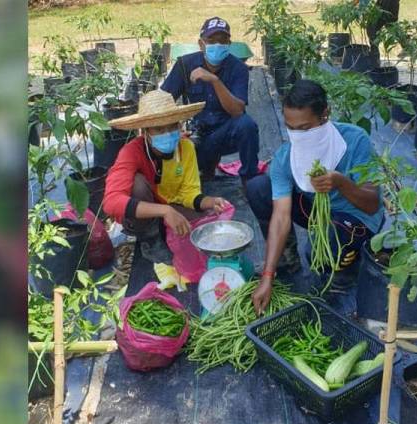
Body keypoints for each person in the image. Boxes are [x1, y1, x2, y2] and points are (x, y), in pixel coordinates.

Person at [246, 80, 385, 316]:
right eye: (291, 128)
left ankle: (344, 277)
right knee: (259, 187)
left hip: (355, 216)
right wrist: (268, 275)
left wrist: (341, 182)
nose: (298, 136)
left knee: (323, 248)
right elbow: (280, 217)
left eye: (305, 128)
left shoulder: (353, 142)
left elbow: (372, 205)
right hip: (316, 213)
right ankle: (287, 260)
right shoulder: (286, 157)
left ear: (325, 114)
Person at [103, 90, 227, 263]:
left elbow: (188, 192)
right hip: (147, 209)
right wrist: (164, 211)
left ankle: (165, 227)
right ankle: (150, 239)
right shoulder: (132, 152)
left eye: (172, 126)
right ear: (145, 131)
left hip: (171, 204)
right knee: (137, 184)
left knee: (205, 226)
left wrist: (209, 201)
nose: (167, 133)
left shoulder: (186, 148)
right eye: (159, 129)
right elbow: (111, 203)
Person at [161, 16, 259, 188]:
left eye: (223, 40)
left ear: (229, 43)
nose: (217, 45)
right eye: (211, 40)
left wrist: (214, 80)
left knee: (247, 125)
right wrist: (176, 128)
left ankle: (249, 180)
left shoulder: (238, 68)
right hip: (196, 136)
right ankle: (206, 167)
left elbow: (237, 111)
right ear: (201, 44)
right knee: (183, 171)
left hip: (225, 134)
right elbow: (163, 100)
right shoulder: (185, 65)